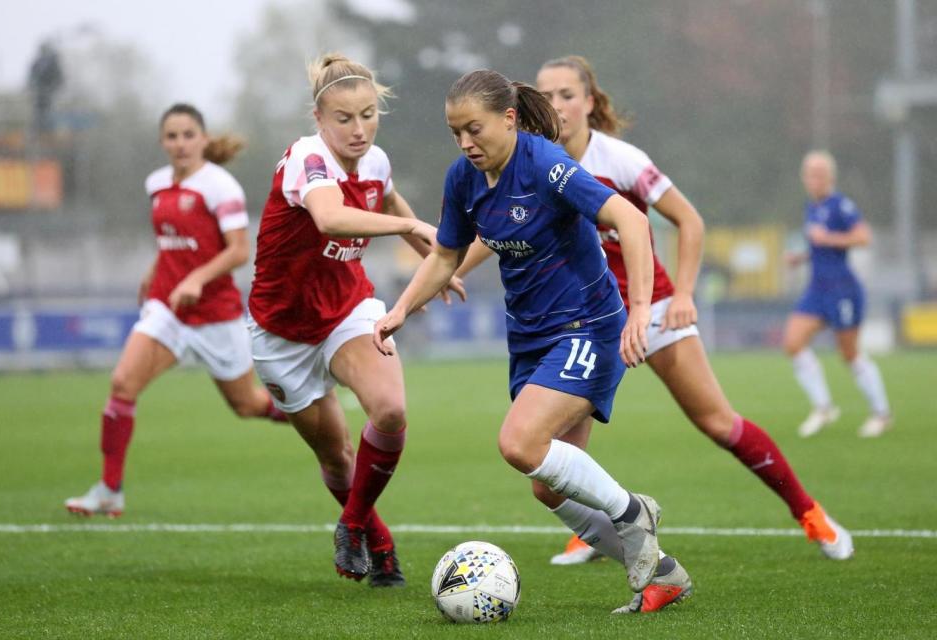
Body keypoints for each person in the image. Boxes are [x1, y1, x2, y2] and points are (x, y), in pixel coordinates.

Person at [455, 56, 854, 611]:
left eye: (568, 94)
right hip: (583, 320)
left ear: (591, 102)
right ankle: (637, 549)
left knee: (718, 421)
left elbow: (686, 220)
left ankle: (809, 513)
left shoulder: (619, 160)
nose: (556, 105)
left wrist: (682, 295)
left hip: (651, 310)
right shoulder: (524, 163)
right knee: (546, 477)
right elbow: (499, 229)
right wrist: (451, 268)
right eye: (545, 95)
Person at [374, 68, 671, 611]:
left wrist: (642, 310)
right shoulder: (463, 178)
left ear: (509, 119)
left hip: (587, 326)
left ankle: (633, 513)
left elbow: (629, 219)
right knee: (548, 485)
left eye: (475, 129)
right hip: (531, 340)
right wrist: (401, 310)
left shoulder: (546, 165)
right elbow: (445, 255)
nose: (466, 142)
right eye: (455, 132)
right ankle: (665, 575)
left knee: (519, 444)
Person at [247, 53, 463, 587]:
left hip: (348, 310)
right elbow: (330, 216)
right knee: (338, 458)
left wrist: (433, 257)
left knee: (389, 411)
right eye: (344, 118)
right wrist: (410, 223)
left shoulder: (377, 161)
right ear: (319, 118)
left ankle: (351, 526)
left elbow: (389, 196)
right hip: (280, 333)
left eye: (368, 115)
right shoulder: (307, 158)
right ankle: (379, 540)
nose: (358, 129)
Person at [65, 103, 289, 519]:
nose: (181, 143)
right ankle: (109, 490)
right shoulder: (156, 184)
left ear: (203, 139)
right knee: (122, 385)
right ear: (162, 142)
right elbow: (173, 239)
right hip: (167, 308)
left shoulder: (221, 187)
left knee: (248, 406)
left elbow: (239, 250)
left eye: (189, 135)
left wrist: (197, 278)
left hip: (216, 315)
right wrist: (156, 270)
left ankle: (312, 417)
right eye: (172, 136)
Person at [784, 150, 892, 438]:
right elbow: (819, 246)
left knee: (849, 354)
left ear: (830, 177)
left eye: (819, 174)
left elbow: (864, 237)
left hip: (842, 289)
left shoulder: (841, 205)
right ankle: (823, 407)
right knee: (793, 342)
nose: (813, 179)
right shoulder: (812, 206)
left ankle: (882, 414)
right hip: (817, 289)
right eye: (809, 174)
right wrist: (803, 256)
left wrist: (828, 238)